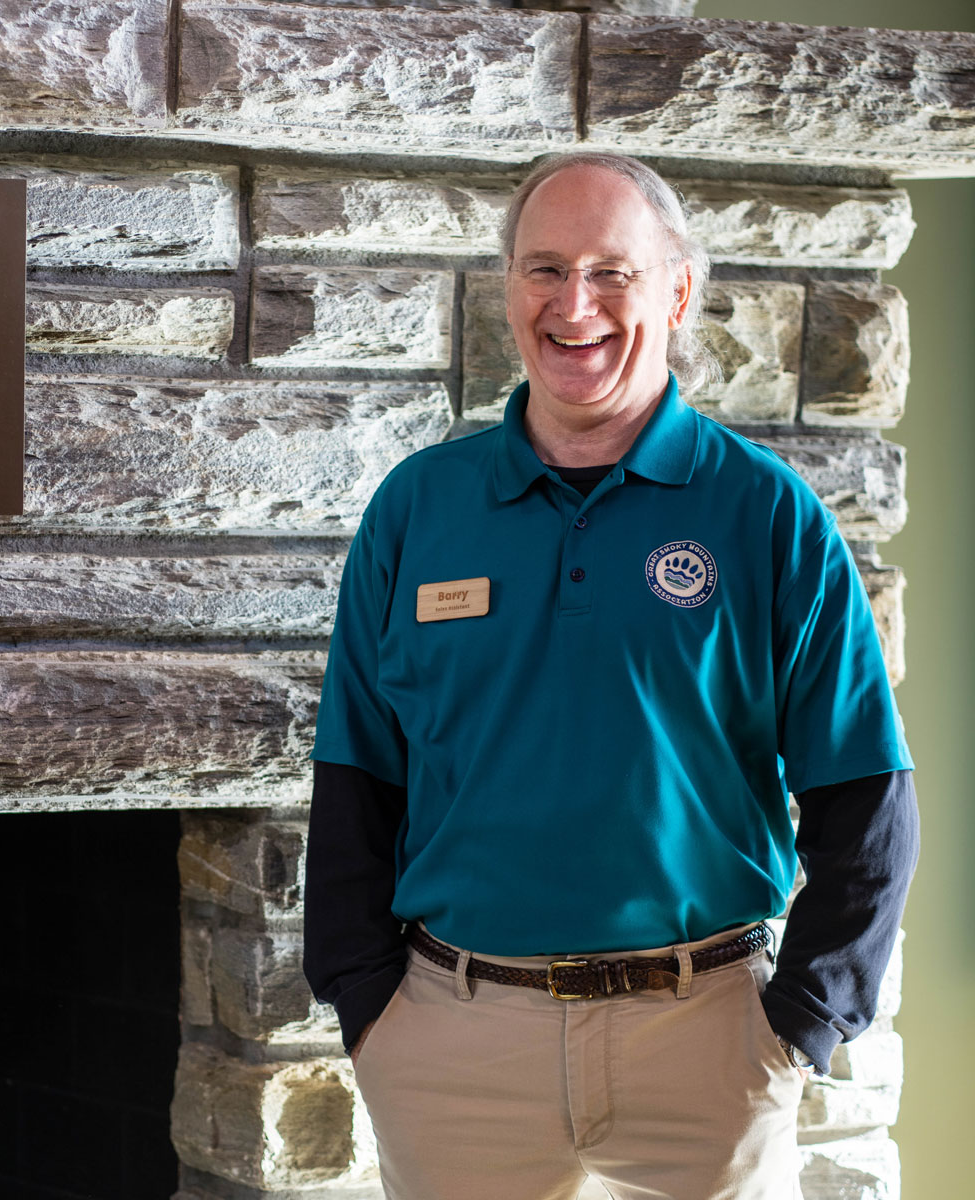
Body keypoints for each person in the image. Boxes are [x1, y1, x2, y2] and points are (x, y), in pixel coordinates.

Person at [303, 151, 917, 1199]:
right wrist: (371, 1012)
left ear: (678, 292)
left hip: (704, 1053)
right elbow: (357, 775)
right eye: (544, 269)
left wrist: (800, 1030)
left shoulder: (766, 516)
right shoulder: (417, 510)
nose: (572, 303)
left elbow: (866, 797)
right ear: (509, 293)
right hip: (454, 1054)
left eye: (611, 272)